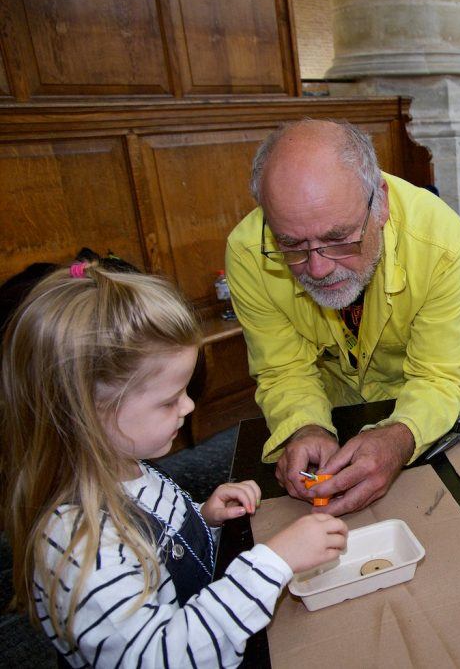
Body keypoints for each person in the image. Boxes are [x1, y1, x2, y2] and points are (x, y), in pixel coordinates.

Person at [0, 262, 348, 668]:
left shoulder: (128, 467)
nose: (189, 406)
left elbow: (159, 552)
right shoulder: (81, 551)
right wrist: (273, 563)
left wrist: (205, 521)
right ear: (85, 412)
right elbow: (162, 658)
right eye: (169, 400)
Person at [226, 119, 460, 516]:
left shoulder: (443, 244)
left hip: (417, 415)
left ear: (380, 202)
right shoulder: (247, 252)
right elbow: (283, 368)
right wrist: (303, 426)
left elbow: (438, 375)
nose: (318, 268)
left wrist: (401, 435)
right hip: (325, 417)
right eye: (291, 245)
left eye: (338, 239)